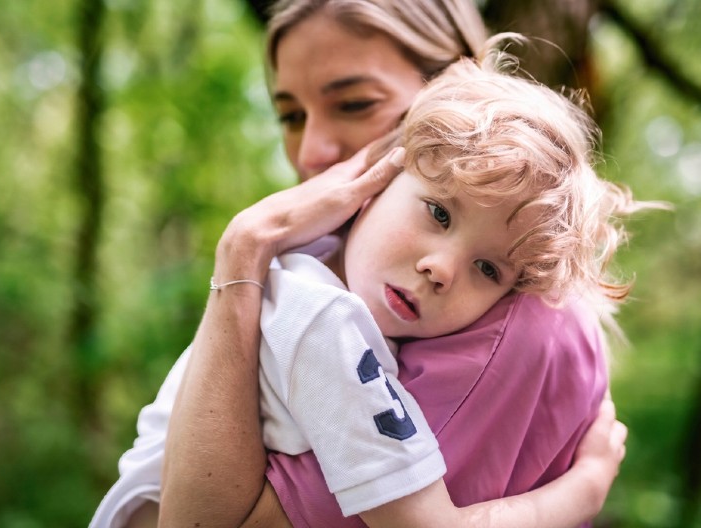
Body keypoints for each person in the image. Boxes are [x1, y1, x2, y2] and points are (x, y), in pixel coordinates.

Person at [92, 1, 633, 527]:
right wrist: (583, 492)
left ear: (447, 89)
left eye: (353, 103)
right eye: (290, 115)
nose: (312, 153)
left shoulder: (519, 323)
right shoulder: (321, 306)